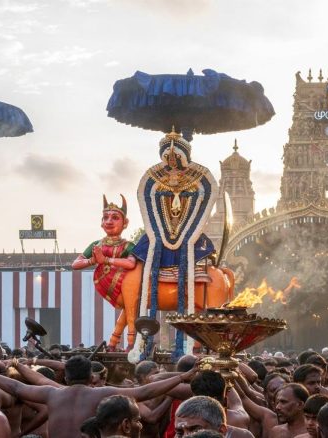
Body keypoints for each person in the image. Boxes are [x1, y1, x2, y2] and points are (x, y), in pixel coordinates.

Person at [132, 129, 218, 357]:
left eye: (176, 157)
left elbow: (205, 200)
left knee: (208, 260)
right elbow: (147, 202)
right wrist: (159, 232)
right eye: (167, 157)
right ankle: (138, 340)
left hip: (189, 231)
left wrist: (187, 231)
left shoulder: (198, 178)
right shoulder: (154, 179)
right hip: (159, 231)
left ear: (184, 157)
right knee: (135, 262)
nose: (172, 162)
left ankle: (194, 341)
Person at [0, 354, 197, 437]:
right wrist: (183, 377)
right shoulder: (101, 393)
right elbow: (144, 392)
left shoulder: (52, 393)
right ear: (91, 377)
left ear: (66, 377)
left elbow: (16, 387)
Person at [72, 195, 137, 348]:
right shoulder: (97, 245)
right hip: (106, 283)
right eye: (105, 218)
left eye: (115, 218)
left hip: (126, 285)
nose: (109, 221)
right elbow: (75, 264)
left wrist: (105, 260)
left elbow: (131, 263)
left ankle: (128, 343)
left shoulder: (128, 245)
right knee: (128, 307)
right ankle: (116, 342)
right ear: (101, 222)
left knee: (130, 306)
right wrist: (92, 261)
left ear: (125, 223)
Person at [189, 370, 252, 435]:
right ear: (225, 400)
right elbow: (237, 402)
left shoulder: (186, 423)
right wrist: (227, 377)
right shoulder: (238, 418)